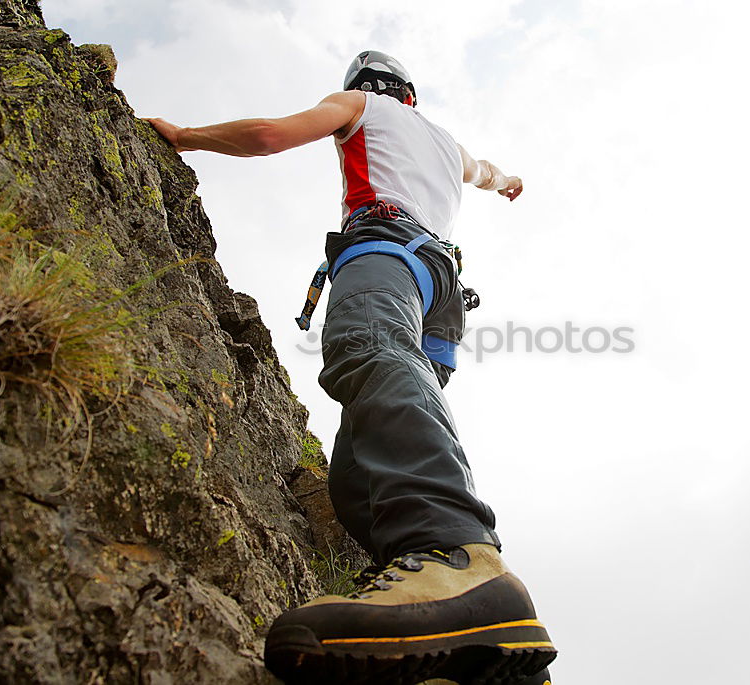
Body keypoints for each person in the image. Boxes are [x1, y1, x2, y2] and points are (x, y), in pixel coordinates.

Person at [147, 50, 555, 685]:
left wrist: (185, 137)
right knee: (359, 465)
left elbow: (268, 135)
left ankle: (451, 553)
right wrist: (506, 184)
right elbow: (488, 173)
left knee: (369, 353)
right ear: (411, 94)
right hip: (441, 292)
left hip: (387, 250)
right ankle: (453, 647)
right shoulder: (448, 144)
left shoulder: (360, 107)